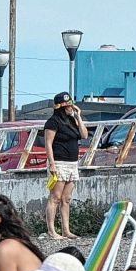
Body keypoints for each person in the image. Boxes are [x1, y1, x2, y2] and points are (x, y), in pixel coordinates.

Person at [43, 92, 90, 239]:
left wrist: (78, 116)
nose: (71, 107)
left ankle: (66, 230)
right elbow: (48, 143)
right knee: (55, 197)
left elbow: (84, 135)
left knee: (66, 198)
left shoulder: (71, 120)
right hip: (58, 162)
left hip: (72, 163)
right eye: (68, 105)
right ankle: (52, 231)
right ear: (61, 107)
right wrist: (52, 164)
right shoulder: (53, 122)